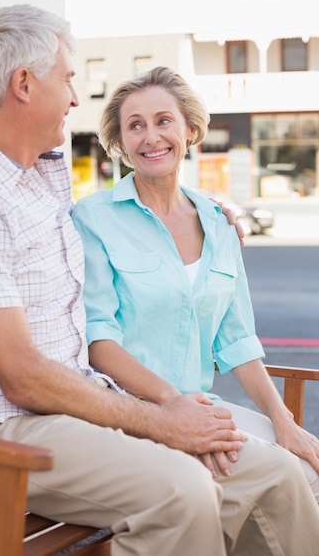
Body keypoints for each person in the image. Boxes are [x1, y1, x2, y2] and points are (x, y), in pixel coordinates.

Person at [0, 7, 318, 556]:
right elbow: (23, 379)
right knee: (183, 491)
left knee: (275, 474)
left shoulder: (38, 180)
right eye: (69, 78)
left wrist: (209, 213)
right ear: (24, 85)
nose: (77, 97)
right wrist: (163, 418)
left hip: (74, 412)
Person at [71, 65, 319, 500]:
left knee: (306, 466)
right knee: (276, 476)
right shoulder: (93, 218)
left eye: (164, 121)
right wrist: (173, 409)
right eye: (135, 126)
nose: (151, 137)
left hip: (199, 407)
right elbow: (97, 340)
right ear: (122, 143)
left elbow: (237, 339)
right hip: (128, 413)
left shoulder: (220, 223)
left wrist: (285, 422)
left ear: (190, 129)